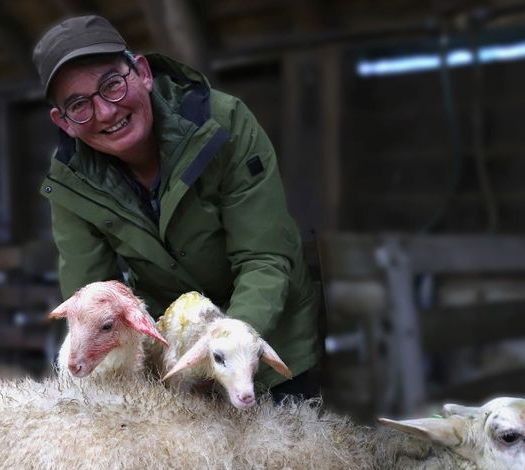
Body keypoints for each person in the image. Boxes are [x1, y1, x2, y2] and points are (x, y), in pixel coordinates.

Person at [32, 15, 321, 401]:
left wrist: (229, 347)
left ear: (143, 73)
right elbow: (94, 299)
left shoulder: (222, 125)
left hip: (262, 348)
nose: (105, 112)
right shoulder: (71, 181)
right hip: (171, 360)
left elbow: (264, 255)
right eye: (79, 105)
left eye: (112, 85)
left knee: (283, 454)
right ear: (63, 122)